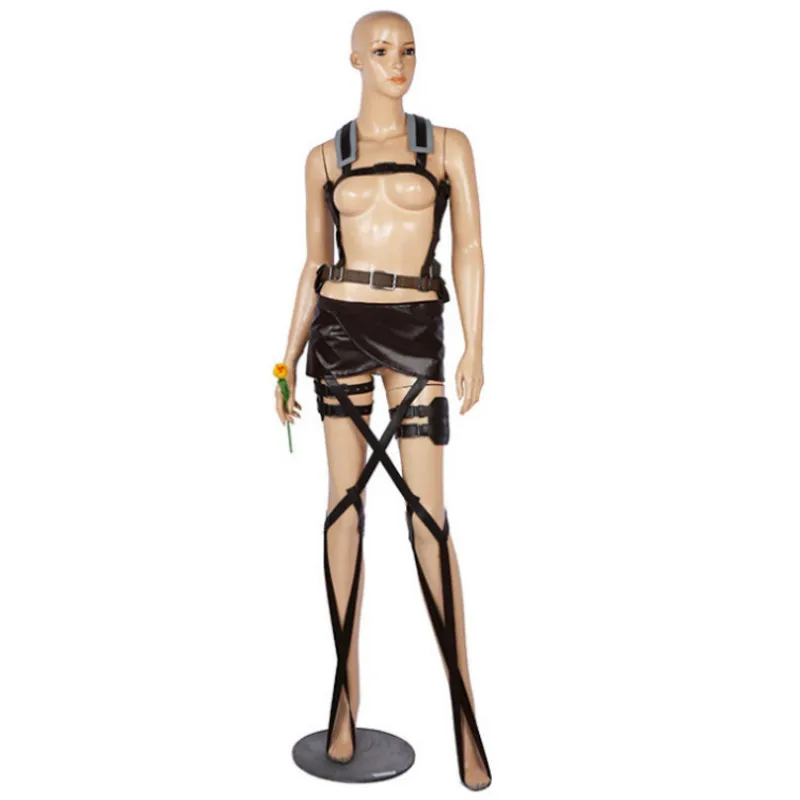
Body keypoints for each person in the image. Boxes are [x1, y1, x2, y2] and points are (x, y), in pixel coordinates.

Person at [276, 10, 491, 791]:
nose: (397, 63)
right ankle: (344, 703)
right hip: (339, 332)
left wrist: (475, 345)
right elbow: (313, 264)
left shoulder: (447, 147)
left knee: (429, 520)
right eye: (380, 51)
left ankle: (465, 716)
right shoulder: (324, 159)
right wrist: (285, 356)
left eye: (407, 50)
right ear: (354, 61)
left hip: (415, 331)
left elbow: (470, 247)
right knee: (343, 509)